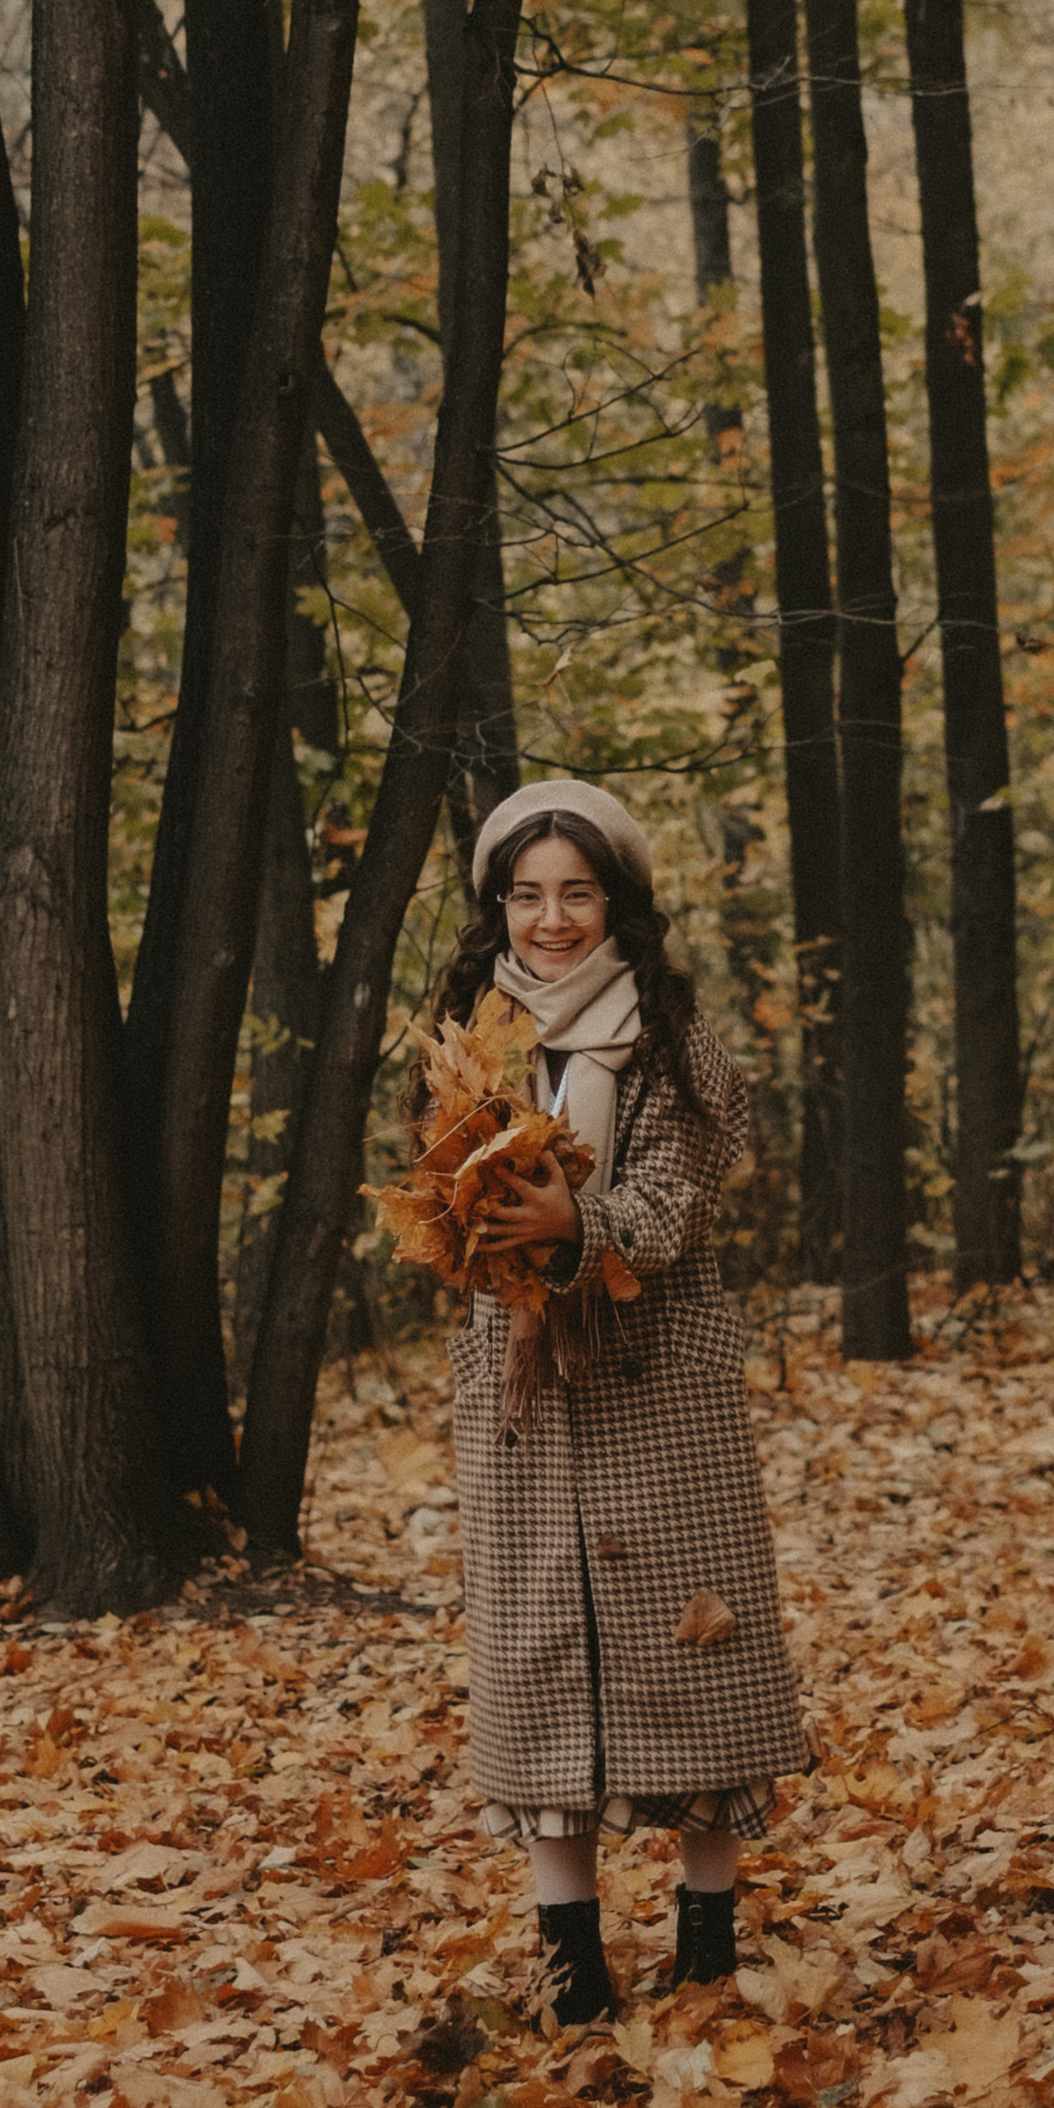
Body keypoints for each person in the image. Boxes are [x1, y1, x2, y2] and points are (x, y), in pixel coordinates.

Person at [427, 773, 811, 2023]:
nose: (550, 918)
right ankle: (570, 1964)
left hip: (660, 1386)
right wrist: (468, 1218)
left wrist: (574, 1220)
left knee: (698, 1651)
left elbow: (675, 1203)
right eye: (527, 895)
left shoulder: (673, 1036)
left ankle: (706, 1950)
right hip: (520, 1387)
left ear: (616, 902)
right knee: (540, 1652)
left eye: (575, 893)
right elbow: (439, 1186)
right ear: (498, 908)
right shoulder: (472, 1033)